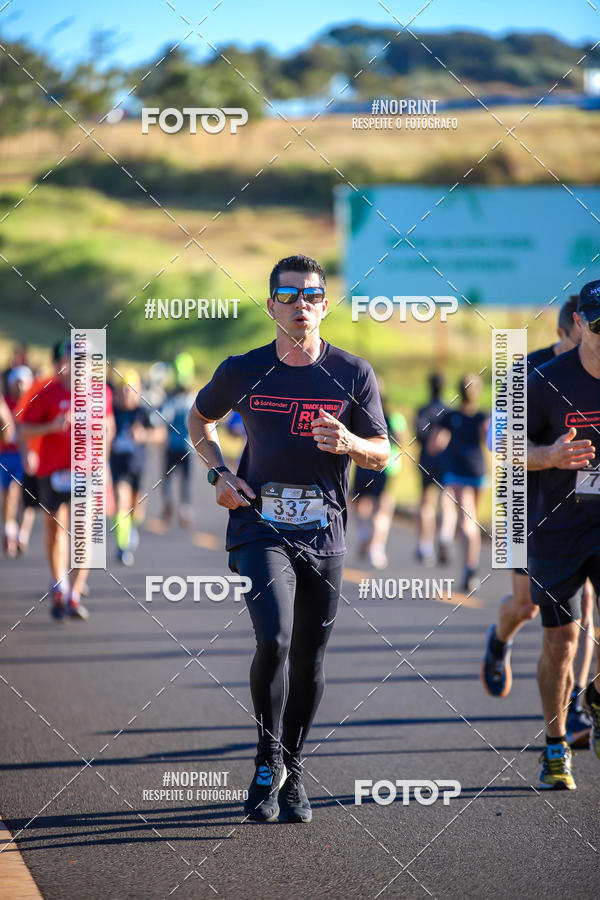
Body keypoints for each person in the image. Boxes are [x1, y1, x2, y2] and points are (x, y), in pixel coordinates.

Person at [187, 254, 389, 824]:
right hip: (259, 525)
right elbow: (198, 420)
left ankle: (295, 771)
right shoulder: (244, 368)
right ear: (271, 304)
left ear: (325, 305)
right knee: (273, 639)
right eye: (289, 295)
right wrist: (219, 474)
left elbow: (384, 451)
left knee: (309, 656)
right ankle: (265, 759)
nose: (301, 305)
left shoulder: (354, 374)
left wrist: (350, 442)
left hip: (324, 529)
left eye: (311, 296)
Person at [482, 296, 595, 749]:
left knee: (583, 608)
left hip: (583, 509)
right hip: (523, 500)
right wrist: (546, 457)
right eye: (583, 337)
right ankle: (500, 637)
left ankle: (578, 708)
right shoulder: (530, 372)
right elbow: (498, 438)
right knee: (526, 606)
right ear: (569, 330)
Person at [525, 280, 600, 790]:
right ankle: (556, 746)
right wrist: (550, 456)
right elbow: (508, 450)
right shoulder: (545, 380)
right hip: (559, 528)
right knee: (562, 642)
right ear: (579, 323)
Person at [19, 341, 114, 620]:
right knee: (55, 530)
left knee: (83, 533)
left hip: (86, 470)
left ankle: (73, 595)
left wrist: (103, 463)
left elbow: (108, 427)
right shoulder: (46, 393)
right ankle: (58, 582)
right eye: (73, 360)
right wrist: (52, 426)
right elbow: (22, 430)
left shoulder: (102, 393)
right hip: (53, 471)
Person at [427, 374, 490, 592]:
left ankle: (469, 568)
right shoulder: (483, 416)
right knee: (471, 517)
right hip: (478, 471)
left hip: (457, 471)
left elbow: (435, 444)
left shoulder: (449, 416)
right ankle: (470, 566)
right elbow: (490, 441)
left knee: (466, 519)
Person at [110, 370, 165, 565]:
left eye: (130, 389)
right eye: (123, 389)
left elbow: (160, 435)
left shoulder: (143, 412)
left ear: (137, 391)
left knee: (137, 509)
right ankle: (123, 547)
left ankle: (132, 529)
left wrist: (144, 436)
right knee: (120, 500)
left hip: (138, 466)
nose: (126, 393)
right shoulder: (112, 411)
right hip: (117, 465)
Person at [352, 383, 407, 568]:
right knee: (381, 508)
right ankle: (376, 547)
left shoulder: (361, 417)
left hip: (364, 463)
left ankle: (364, 534)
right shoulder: (394, 417)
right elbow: (402, 440)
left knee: (358, 500)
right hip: (385, 466)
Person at [414, 372, 456, 566]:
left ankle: (425, 545)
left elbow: (419, 433)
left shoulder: (423, 409)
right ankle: (445, 536)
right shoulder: (449, 411)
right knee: (446, 502)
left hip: (426, 460)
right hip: (446, 461)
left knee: (425, 503)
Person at [161, 377, 196, 528]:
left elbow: (162, 417)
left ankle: (168, 502)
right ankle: (185, 509)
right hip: (187, 447)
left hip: (172, 446)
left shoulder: (171, 400)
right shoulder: (193, 400)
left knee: (167, 478)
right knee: (186, 480)